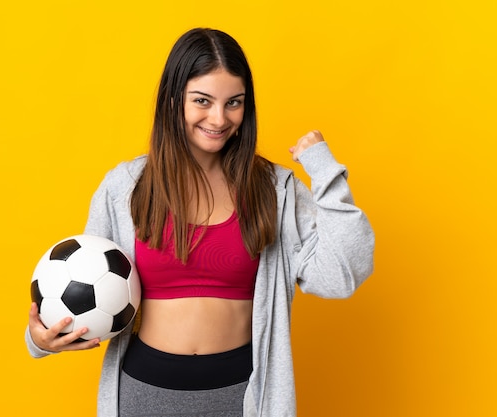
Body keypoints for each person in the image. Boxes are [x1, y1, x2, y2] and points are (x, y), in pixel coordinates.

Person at [25, 27, 374, 417]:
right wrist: (41, 339)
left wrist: (325, 170)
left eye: (234, 103)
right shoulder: (125, 186)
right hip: (144, 393)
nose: (219, 118)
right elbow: (77, 283)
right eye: (202, 101)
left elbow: (342, 274)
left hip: (243, 395)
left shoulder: (274, 189)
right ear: (174, 100)